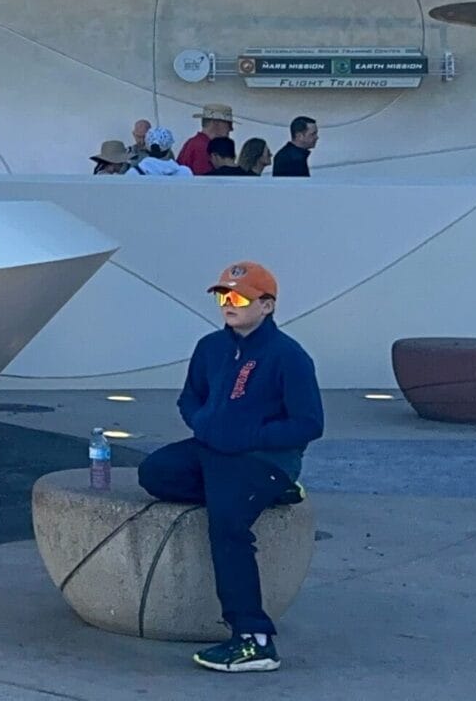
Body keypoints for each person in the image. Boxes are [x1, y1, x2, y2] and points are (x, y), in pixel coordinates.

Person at [139, 260, 324, 674]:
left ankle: (253, 639)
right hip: (212, 449)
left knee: (226, 524)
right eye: (223, 295)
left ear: (267, 305)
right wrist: (205, 424)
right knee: (155, 472)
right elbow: (190, 399)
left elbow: (310, 423)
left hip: (264, 459)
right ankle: (268, 496)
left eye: (239, 296)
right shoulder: (210, 348)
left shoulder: (288, 357)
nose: (228, 303)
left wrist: (248, 436)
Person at [180, 104, 236, 174]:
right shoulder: (204, 147)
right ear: (216, 123)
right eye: (229, 124)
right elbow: (206, 181)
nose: (231, 129)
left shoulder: (192, 142)